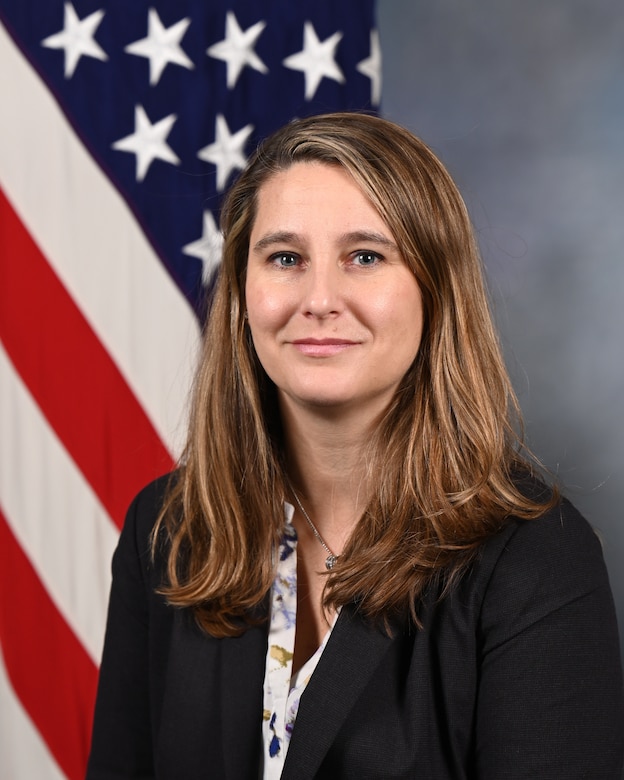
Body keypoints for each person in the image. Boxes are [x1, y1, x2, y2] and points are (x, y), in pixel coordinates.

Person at [86, 112, 624, 779]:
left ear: (436, 290)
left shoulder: (536, 558)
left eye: (365, 257)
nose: (319, 299)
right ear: (241, 294)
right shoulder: (167, 531)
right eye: (286, 258)